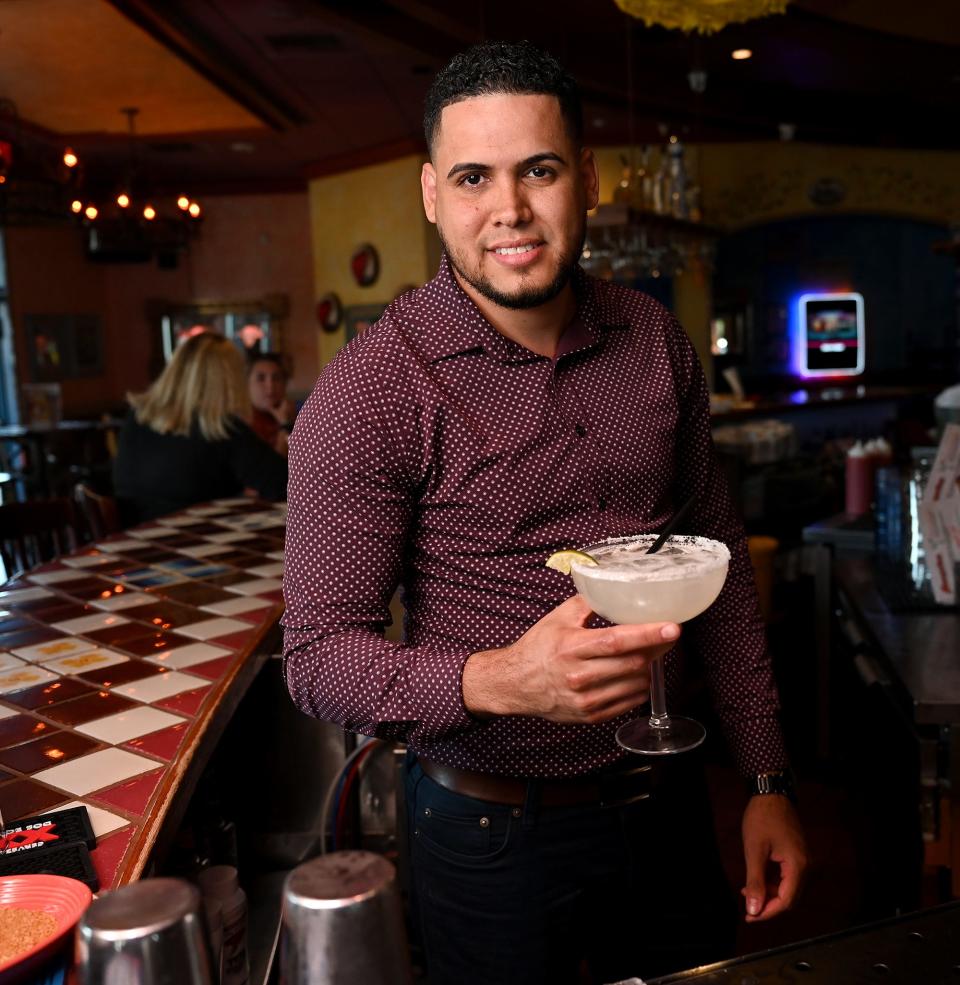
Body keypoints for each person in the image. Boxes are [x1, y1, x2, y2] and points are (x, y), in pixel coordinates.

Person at [282, 41, 806, 985]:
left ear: (588, 180)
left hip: (672, 804)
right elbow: (317, 659)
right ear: (432, 193)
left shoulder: (654, 339)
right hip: (490, 835)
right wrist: (495, 681)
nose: (511, 210)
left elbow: (717, 559)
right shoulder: (371, 391)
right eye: (475, 176)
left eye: (540, 169)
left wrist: (766, 779)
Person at [114, 332, 287, 523]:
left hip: (131, 539)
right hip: (194, 541)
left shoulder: (137, 417)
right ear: (228, 380)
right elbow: (286, 484)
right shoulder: (220, 428)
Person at [248, 351, 297, 455]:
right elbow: (274, 468)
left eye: (276, 378)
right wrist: (285, 426)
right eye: (261, 378)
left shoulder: (299, 416)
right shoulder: (242, 425)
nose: (270, 386)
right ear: (247, 384)